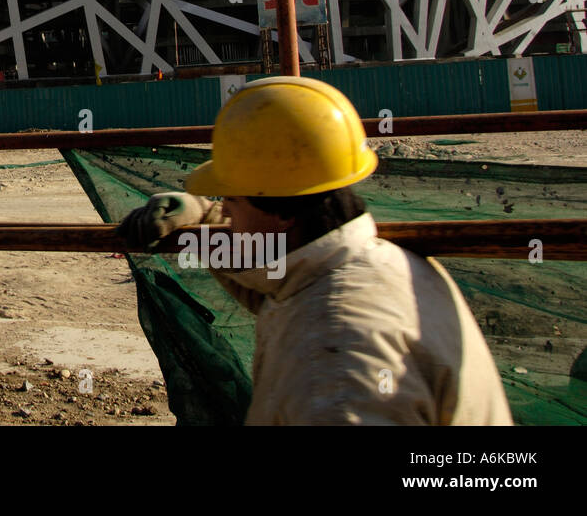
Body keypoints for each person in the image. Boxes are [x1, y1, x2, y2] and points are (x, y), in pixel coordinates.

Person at [118, 76, 512, 425]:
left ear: (284, 214)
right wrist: (204, 218)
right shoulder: (378, 265)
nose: (228, 213)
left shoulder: (336, 368)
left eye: (230, 200)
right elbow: (270, 281)